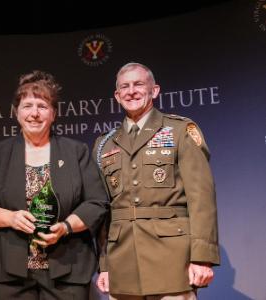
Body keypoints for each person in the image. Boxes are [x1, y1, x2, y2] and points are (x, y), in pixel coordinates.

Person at [0, 70, 108, 299]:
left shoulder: (76, 151)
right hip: (9, 272)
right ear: (16, 112)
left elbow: (96, 202)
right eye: (27, 105)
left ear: (53, 114)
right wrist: (9, 218)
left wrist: (65, 227)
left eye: (42, 106)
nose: (34, 113)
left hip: (66, 270)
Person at [94, 62, 220, 299]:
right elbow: (105, 211)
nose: (131, 91)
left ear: (155, 90)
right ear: (117, 95)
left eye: (138, 84)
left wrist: (202, 257)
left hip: (172, 262)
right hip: (122, 265)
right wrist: (105, 264)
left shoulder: (179, 131)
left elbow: (201, 198)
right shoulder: (104, 144)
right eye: (125, 86)